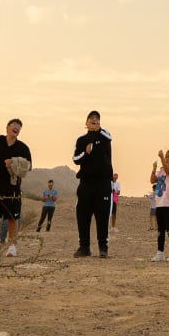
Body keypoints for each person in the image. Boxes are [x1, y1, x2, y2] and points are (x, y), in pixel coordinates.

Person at [0, 109, 32, 257]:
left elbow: (29, 166)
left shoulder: (23, 147)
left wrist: (14, 162)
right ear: (7, 128)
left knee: (12, 218)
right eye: (13, 124)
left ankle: (12, 247)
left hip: (12, 187)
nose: (16, 126)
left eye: (19, 125)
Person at [72, 110, 114, 258]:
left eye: (97, 118)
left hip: (103, 183)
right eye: (91, 118)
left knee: (102, 216)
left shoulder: (105, 135)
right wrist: (85, 152)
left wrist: (99, 130)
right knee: (82, 215)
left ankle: (103, 247)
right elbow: (75, 159)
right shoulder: (81, 140)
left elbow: (109, 137)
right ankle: (84, 247)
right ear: (86, 122)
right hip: (86, 183)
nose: (94, 120)